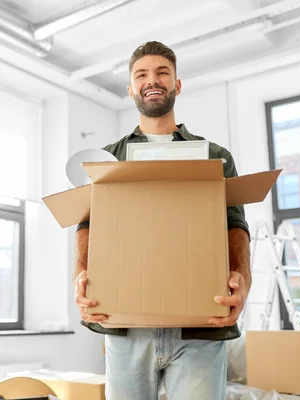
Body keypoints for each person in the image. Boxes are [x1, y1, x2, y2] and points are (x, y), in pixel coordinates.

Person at [73, 41, 251, 399]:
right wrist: (81, 272)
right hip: (127, 327)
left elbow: (235, 224)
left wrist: (242, 278)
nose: (151, 80)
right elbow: (88, 224)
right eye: (141, 75)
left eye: (162, 73)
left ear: (177, 85)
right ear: (130, 89)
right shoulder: (109, 158)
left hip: (201, 326)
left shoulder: (214, 156)